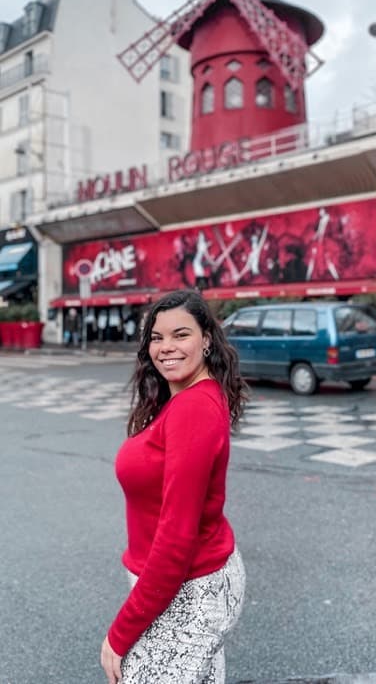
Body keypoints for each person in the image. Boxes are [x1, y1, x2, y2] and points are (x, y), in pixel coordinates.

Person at [100, 290, 248, 684]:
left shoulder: (194, 408)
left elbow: (177, 536)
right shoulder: (186, 397)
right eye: (156, 337)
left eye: (180, 335)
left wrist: (119, 635)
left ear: (206, 340)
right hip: (185, 583)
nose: (166, 347)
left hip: (190, 592)